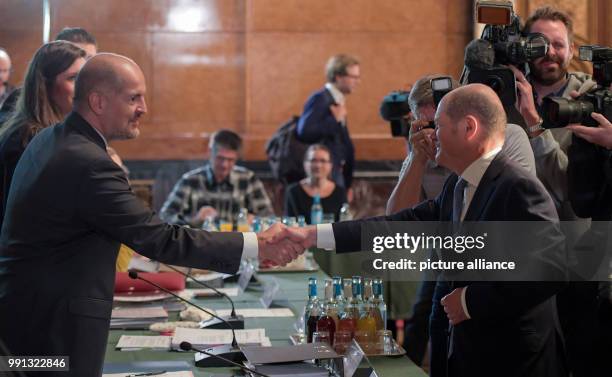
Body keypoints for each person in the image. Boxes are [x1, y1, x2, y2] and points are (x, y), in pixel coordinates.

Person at [0, 53, 304, 376]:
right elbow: (158, 238)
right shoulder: (87, 161)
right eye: (134, 98)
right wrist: (254, 244)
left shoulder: (53, 138)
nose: (144, 108)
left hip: (27, 321)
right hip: (51, 335)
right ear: (98, 102)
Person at [287, 84, 567, 377]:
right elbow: (396, 225)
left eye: (439, 126)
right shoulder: (458, 185)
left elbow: (551, 270)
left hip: (513, 359)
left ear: (469, 128)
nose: (429, 136)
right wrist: (313, 236)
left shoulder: (517, 185)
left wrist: (471, 300)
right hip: (471, 351)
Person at [386, 74, 537, 370]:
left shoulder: (509, 137)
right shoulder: (421, 147)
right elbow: (398, 221)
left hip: (498, 267)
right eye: (428, 126)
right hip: (447, 263)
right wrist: (417, 159)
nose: (435, 135)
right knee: (434, 337)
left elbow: (517, 213)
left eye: (440, 125)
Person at [0, 41, 87, 224]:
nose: (84, 87)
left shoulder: (56, 133)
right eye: (73, 78)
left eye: (84, 79)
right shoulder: (28, 138)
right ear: (46, 84)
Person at [160, 129, 274, 227]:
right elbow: (164, 217)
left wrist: (255, 220)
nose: (224, 165)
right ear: (210, 152)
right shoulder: (191, 180)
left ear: (237, 158)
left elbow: (269, 218)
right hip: (201, 246)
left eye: (230, 160)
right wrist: (194, 220)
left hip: (239, 246)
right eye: (220, 158)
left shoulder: (248, 179)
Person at [296, 54, 359, 199]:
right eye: (353, 77)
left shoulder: (336, 99)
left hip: (336, 174)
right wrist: (334, 121)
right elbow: (304, 131)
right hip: (324, 174)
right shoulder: (320, 98)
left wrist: (348, 182)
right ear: (338, 77)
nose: (357, 81)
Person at [284, 144, 347, 224]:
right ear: (305, 164)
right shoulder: (293, 192)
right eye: (313, 160)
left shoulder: (340, 192)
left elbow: (343, 224)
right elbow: (289, 224)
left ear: (330, 165)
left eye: (323, 161)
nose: (318, 165)